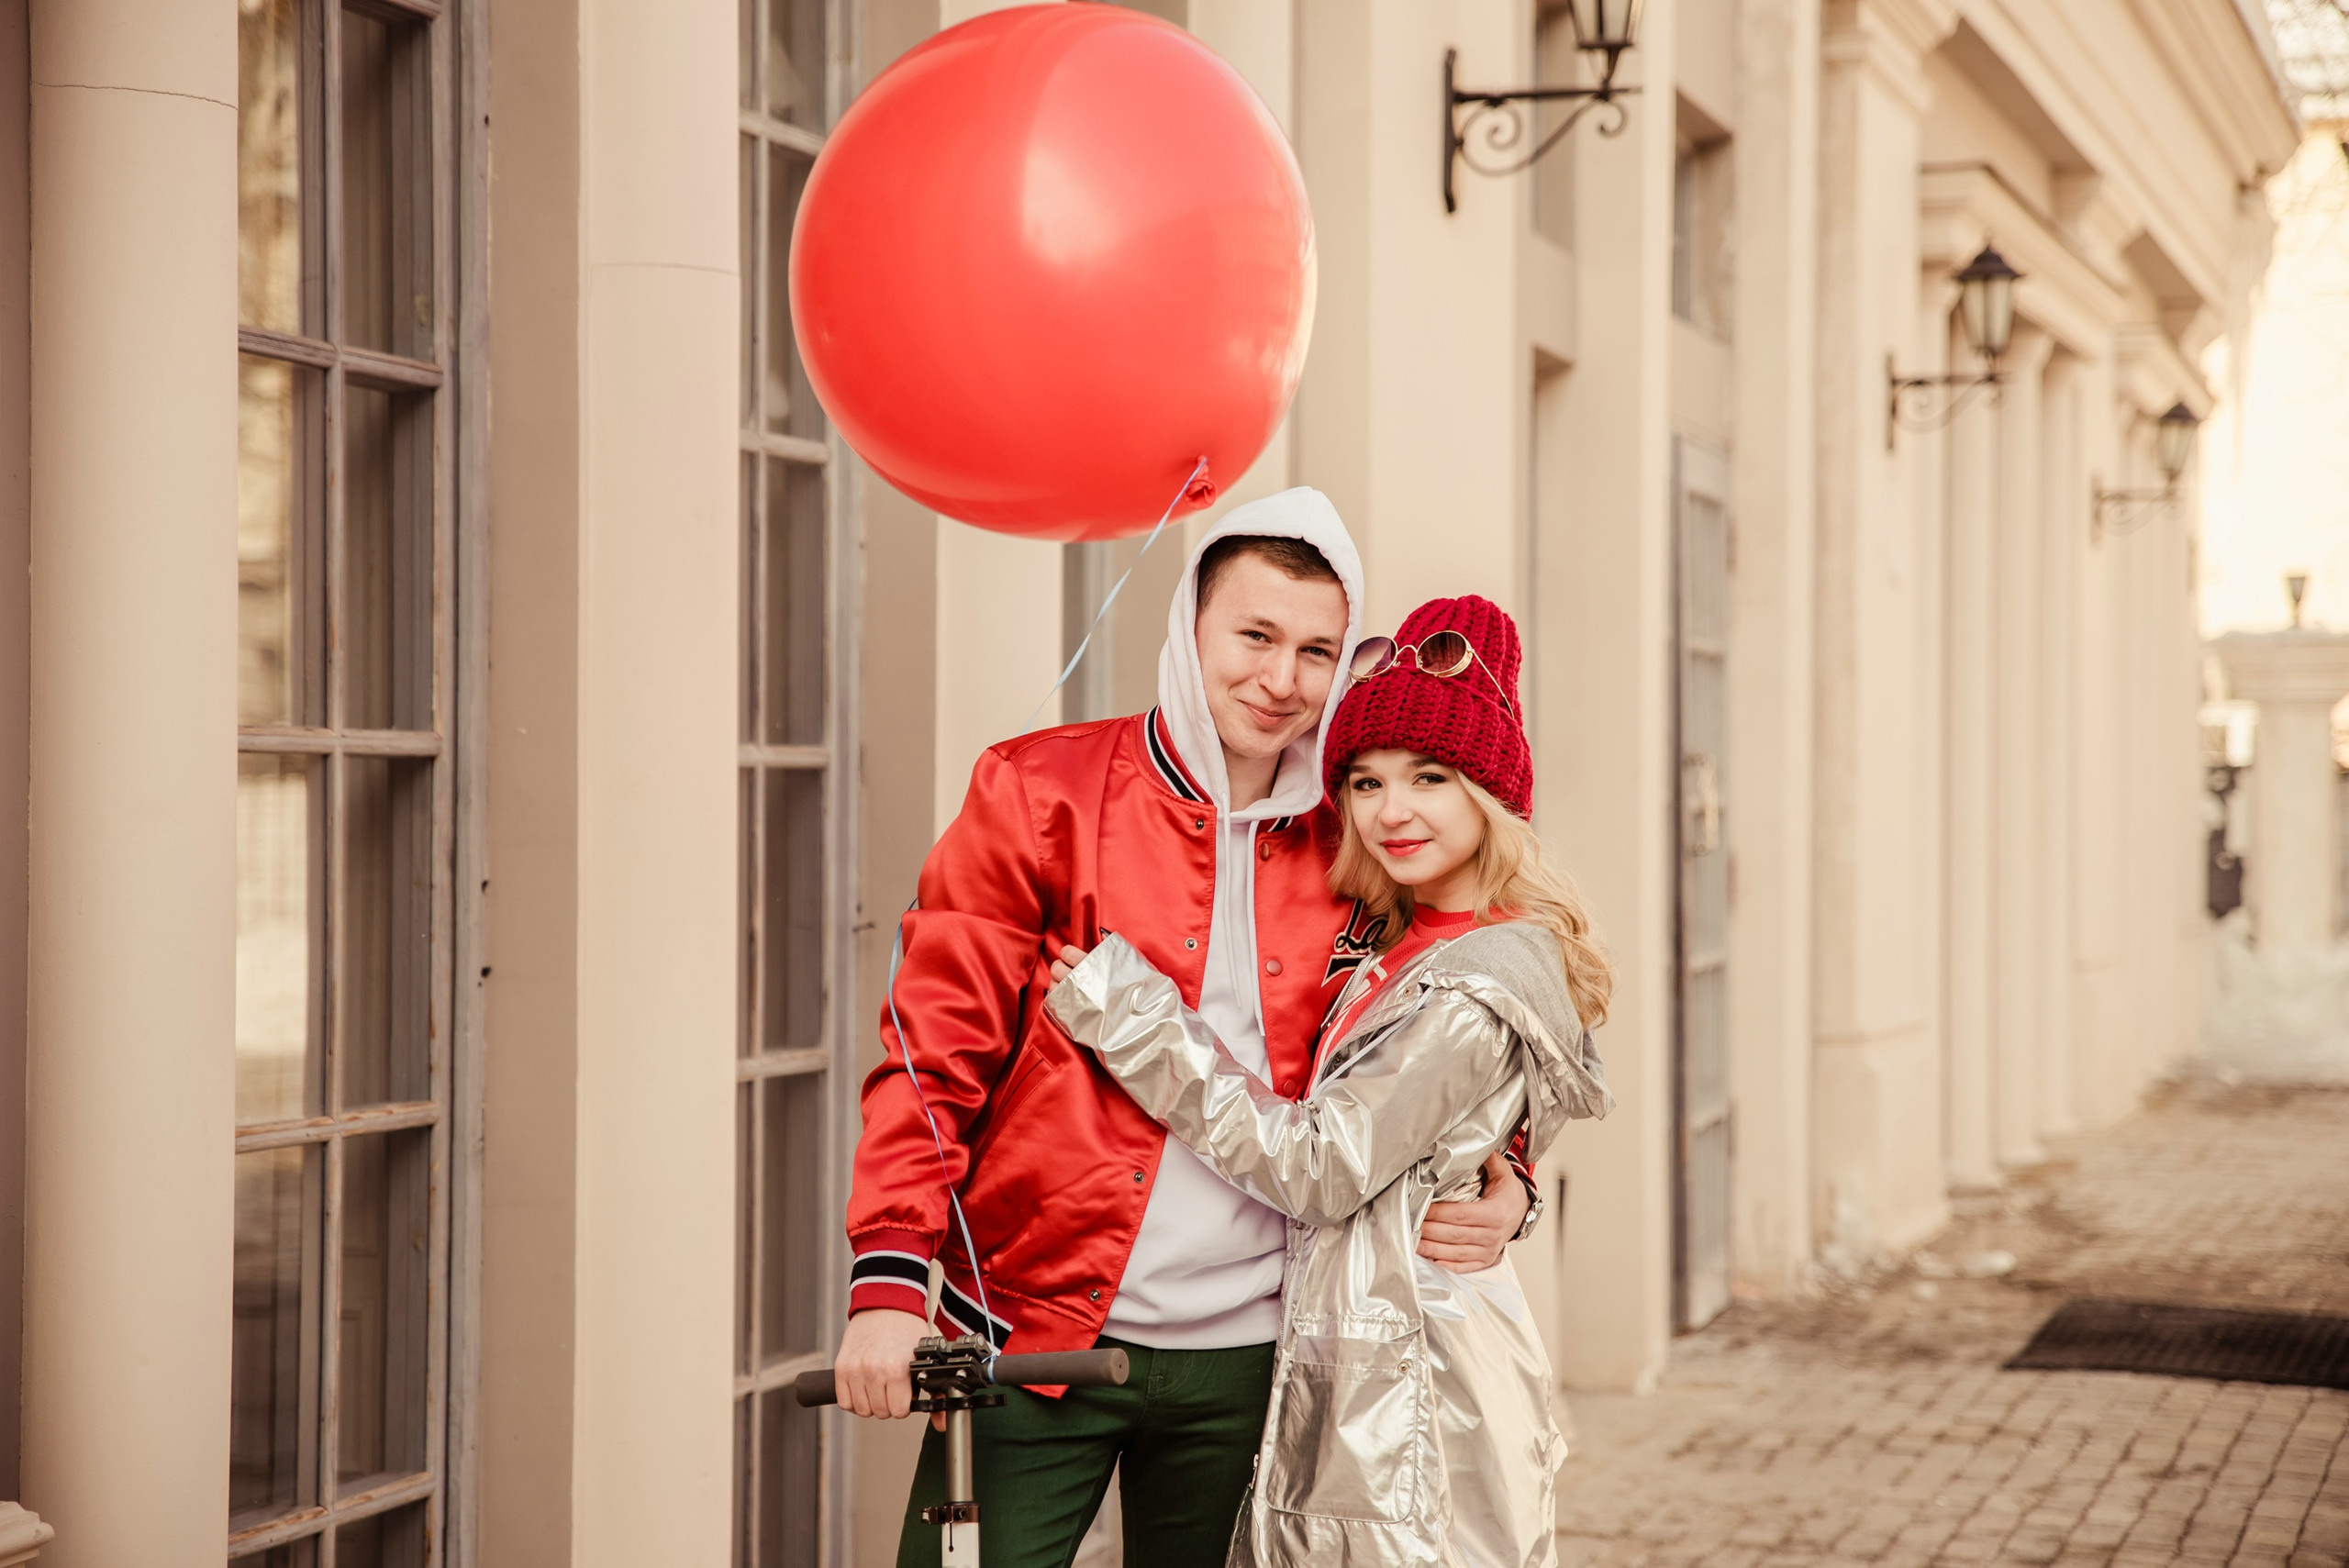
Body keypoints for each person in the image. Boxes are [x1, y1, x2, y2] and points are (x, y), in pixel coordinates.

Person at [833, 492, 1537, 1568]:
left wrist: (1511, 1173)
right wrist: (888, 1279)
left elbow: (1452, 1011)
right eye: (1253, 635)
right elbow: (934, 1050)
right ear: (1190, 627)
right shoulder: (1037, 791)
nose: (1281, 680)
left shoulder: (1358, 834)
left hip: (1264, 1354)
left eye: (1316, 649)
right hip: (1031, 1331)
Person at [1047, 593, 1614, 1567]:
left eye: (1431, 776)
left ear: (1491, 793)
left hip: (1416, 1394)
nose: (1392, 811)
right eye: (1363, 780)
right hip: (1367, 1364)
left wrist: (1135, 1020)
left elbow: (1321, 1164)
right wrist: (1505, 1173)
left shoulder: (1472, 983)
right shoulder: (1399, 933)